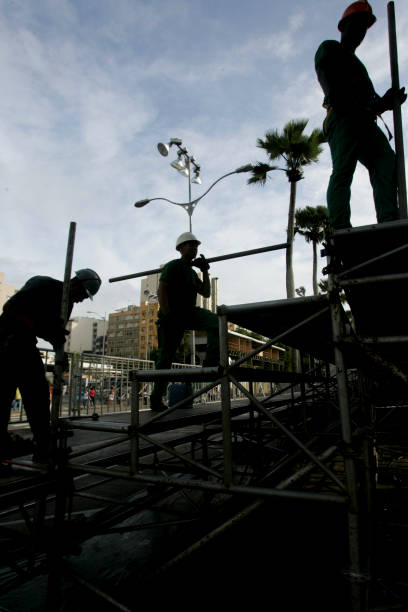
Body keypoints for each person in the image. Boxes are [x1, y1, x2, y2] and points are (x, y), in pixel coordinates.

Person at [315, 1, 407, 230]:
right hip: (343, 119)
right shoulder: (330, 49)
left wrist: (385, 102)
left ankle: (389, 219)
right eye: (356, 25)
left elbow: (372, 102)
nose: (360, 32)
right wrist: (367, 105)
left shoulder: (360, 67)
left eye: (364, 28)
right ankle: (339, 225)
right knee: (344, 170)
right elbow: (333, 88)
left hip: (364, 120)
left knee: (386, 162)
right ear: (343, 26)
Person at [0, 268, 101, 463]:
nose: (81, 299)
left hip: (25, 344)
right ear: (74, 283)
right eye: (82, 294)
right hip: (7, 339)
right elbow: (10, 308)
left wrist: (61, 359)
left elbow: (56, 335)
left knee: (37, 395)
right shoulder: (43, 284)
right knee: (5, 395)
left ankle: (43, 446)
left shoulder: (67, 304)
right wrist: (46, 329)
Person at [150, 232, 220, 412]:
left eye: (196, 245)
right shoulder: (173, 266)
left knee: (215, 321)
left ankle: (211, 364)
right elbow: (162, 291)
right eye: (190, 245)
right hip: (171, 316)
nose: (194, 248)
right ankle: (156, 398)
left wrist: (204, 270)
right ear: (180, 248)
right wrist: (168, 314)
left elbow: (206, 293)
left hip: (188, 313)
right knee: (165, 357)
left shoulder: (191, 272)